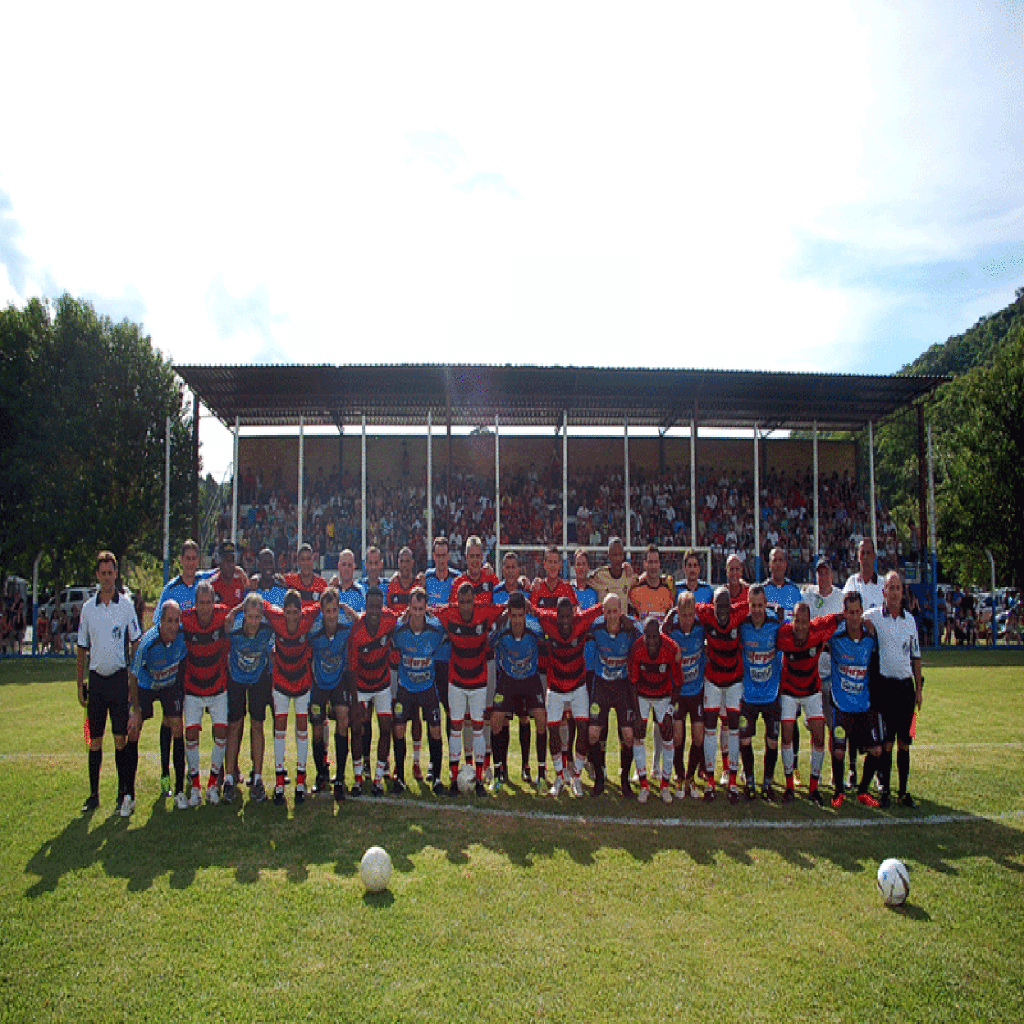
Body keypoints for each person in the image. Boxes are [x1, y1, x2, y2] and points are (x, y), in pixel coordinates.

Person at [76, 551, 142, 816]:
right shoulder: (88, 609)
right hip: (97, 680)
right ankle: (93, 794)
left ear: (116, 574)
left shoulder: (125, 605)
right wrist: (80, 684)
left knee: (120, 739)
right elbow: (82, 648)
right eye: (102, 573)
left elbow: (136, 641)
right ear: (97, 575)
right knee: (94, 740)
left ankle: (122, 791)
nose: (106, 577)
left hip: (118, 680)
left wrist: (132, 675)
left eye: (110, 572)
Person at [434, 583, 503, 794]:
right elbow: (428, 613)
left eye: (469, 602)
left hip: (479, 680)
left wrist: (498, 633)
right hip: (456, 680)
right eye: (461, 602)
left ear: (475, 601)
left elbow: (507, 610)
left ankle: (480, 780)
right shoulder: (448, 614)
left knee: (478, 728)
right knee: (455, 728)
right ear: (456, 602)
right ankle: (455, 780)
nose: (465, 607)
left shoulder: (485, 612)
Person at [864, 572, 924, 808]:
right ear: (884, 592)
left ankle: (903, 791)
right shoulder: (875, 617)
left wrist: (919, 690)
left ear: (902, 592)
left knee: (905, 742)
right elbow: (857, 619)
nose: (895, 591)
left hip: (906, 690)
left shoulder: (910, 621)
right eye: (891, 587)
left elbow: (916, 657)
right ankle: (885, 791)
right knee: (886, 743)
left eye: (898, 587)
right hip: (885, 690)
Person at [776, 601, 845, 805]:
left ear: (810, 621)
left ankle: (814, 788)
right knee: (786, 736)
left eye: (804, 622)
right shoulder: (783, 633)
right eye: (797, 621)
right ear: (793, 620)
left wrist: (863, 620)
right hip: (789, 689)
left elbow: (841, 616)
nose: (801, 626)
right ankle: (789, 785)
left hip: (811, 690)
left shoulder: (820, 628)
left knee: (819, 737)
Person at [535, 596, 604, 796]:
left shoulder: (582, 620)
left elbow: (601, 607)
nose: (565, 621)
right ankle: (559, 776)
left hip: (578, 686)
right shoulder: (548, 621)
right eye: (561, 617)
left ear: (574, 615)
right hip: (555, 687)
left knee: (582, 729)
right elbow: (531, 609)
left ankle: (576, 777)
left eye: (568, 617)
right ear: (556, 616)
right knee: (553, 730)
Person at [261, 588, 323, 805]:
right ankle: (279, 782)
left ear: (301, 611)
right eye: (288, 612)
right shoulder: (275, 617)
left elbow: (324, 600)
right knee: (279, 727)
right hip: (281, 681)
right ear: (283, 611)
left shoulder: (308, 617)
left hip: (302, 681)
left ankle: (300, 780)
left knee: (302, 728)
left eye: (296, 612)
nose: (292, 617)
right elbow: (259, 602)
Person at [127, 599, 188, 809]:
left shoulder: (182, 636)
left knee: (177, 726)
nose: (173, 626)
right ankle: (129, 795)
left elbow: (185, 662)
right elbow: (133, 676)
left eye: (176, 621)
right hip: (146, 686)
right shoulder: (147, 643)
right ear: (160, 622)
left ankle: (177, 789)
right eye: (168, 621)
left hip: (169, 685)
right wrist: (135, 710)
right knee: (133, 730)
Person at [390, 588, 449, 792]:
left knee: (435, 729)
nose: (417, 613)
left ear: (426, 609)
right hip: (405, 687)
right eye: (414, 608)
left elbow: (447, 628)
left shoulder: (436, 630)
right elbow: (391, 638)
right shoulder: (399, 630)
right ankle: (399, 777)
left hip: (427, 687)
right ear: (409, 608)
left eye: (421, 609)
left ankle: (437, 778)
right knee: (398, 730)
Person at [827, 591, 883, 808]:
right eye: (850, 612)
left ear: (862, 612)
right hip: (841, 705)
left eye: (857, 612)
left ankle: (862, 791)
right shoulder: (836, 636)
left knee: (876, 750)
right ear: (844, 613)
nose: (854, 616)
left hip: (864, 705)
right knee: (839, 751)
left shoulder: (870, 637)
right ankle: (839, 791)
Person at [180, 581, 233, 806]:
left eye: (208, 602)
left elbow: (238, 620)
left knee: (221, 732)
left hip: (218, 685)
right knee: (191, 734)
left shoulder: (224, 616)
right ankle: (195, 787)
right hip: (192, 687)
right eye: (201, 602)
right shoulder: (186, 619)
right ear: (195, 603)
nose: (204, 607)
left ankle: (212, 785)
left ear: (214, 602)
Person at [694, 586, 749, 802]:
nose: (723, 610)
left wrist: (776, 613)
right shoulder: (705, 612)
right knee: (710, 727)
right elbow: (686, 606)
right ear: (713, 606)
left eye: (726, 605)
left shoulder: (739, 612)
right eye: (719, 606)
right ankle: (710, 781)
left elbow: (758, 604)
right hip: (713, 680)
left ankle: (733, 781)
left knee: (733, 726)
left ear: (731, 605)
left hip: (734, 680)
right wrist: (671, 616)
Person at [488, 592, 547, 791]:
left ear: (525, 614)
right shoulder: (502, 631)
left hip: (530, 679)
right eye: (513, 615)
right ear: (509, 614)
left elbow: (548, 634)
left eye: (520, 615)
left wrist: (536, 612)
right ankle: (498, 772)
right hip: (508, 680)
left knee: (540, 719)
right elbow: (487, 643)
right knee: (496, 719)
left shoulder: (535, 629)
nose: (517, 620)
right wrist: (498, 620)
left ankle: (538, 772)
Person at [347, 587, 401, 795]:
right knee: (358, 730)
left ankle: (378, 778)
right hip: (361, 687)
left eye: (378, 607)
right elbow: (351, 670)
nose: (375, 611)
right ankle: (359, 778)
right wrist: (354, 703)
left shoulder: (390, 619)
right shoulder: (357, 631)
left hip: (382, 685)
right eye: (371, 607)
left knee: (386, 729)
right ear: (365, 606)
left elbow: (403, 618)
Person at [223, 592, 275, 803]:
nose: (253, 622)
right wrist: (238, 607)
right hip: (236, 677)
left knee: (257, 725)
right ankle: (228, 779)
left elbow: (276, 618)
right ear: (243, 615)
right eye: (249, 616)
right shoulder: (234, 627)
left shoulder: (266, 629)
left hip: (258, 678)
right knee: (234, 725)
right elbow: (226, 621)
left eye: (257, 617)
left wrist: (265, 608)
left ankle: (258, 778)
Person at [494, 550, 541, 783]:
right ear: (502, 570)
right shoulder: (495, 592)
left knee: (524, 718)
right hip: (503, 666)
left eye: (514, 567)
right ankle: (501, 767)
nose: (511, 571)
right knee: (501, 719)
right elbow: (495, 623)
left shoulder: (527, 592)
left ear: (519, 570)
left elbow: (535, 619)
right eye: (507, 567)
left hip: (525, 666)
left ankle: (525, 765)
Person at [588, 594, 640, 797]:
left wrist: (633, 623)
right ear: (603, 613)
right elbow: (580, 624)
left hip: (622, 687)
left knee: (628, 735)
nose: (611, 616)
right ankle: (600, 778)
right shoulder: (596, 627)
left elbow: (650, 632)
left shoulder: (630, 628)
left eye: (615, 611)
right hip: (601, 685)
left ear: (621, 611)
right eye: (607, 612)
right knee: (593, 732)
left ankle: (624, 778)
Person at [307, 588, 357, 801]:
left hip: (339, 680)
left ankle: (340, 777)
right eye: (328, 611)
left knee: (343, 720)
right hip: (319, 682)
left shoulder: (346, 623)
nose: (332, 615)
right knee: (317, 729)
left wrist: (348, 609)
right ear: (322, 611)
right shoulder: (314, 630)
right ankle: (321, 773)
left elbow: (361, 622)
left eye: (335, 610)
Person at [737, 583, 783, 802]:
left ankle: (767, 782)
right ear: (748, 605)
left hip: (772, 694)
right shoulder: (742, 625)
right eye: (752, 605)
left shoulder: (776, 623)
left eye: (760, 605)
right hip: (748, 695)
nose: (756, 610)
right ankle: (749, 782)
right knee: (745, 739)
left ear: (766, 604)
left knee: (772, 740)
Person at [628, 617, 681, 804]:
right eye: (647, 637)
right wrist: (636, 714)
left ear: (660, 635)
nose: (651, 641)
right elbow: (633, 683)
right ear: (643, 636)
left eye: (654, 637)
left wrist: (668, 712)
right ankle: (643, 785)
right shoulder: (636, 649)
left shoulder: (670, 648)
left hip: (663, 695)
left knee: (668, 733)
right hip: (642, 695)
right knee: (638, 733)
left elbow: (677, 683)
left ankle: (665, 785)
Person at [662, 591, 706, 798]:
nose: (687, 619)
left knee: (699, 736)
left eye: (691, 615)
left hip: (696, 691)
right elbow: (658, 636)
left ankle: (691, 778)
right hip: (678, 692)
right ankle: (679, 777)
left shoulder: (701, 627)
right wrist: (667, 620)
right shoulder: (672, 629)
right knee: (678, 736)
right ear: (677, 613)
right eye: (683, 615)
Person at [588, 536, 634, 607]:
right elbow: (583, 580)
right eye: (615, 555)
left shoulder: (628, 575)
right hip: (605, 617)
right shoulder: (599, 575)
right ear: (609, 556)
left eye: (620, 554)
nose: (618, 558)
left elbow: (642, 580)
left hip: (623, 617)